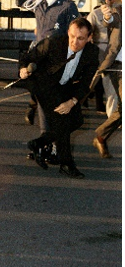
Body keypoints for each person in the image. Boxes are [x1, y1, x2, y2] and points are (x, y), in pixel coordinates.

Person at [21, 18, 99, 178]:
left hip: (65, 87)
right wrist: (23, 69)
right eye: (72, 36)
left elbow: (86, 83)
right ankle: (66, 163)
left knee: (77, 121)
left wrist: (73, 101)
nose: (75, 42)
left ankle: (39, 143)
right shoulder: (53, 43)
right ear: (68, 33)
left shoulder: (92, 52)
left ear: (89, 37)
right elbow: (27, 57)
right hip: (43, 85)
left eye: (81, 38)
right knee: (62, 121)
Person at [16, 0, 79, 125]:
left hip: (57, 59)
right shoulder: (39, 2)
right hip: (39, 55)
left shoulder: (67, 6)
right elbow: (19, 0)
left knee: (53, 100)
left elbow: (76, 32)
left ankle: (52, 137)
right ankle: (47, 138)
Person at [89, 0, 122, 157]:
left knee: (121, 109)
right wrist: (107, 15)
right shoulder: (117, 12)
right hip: (118, 66)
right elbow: (109, 21)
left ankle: (101, 136)